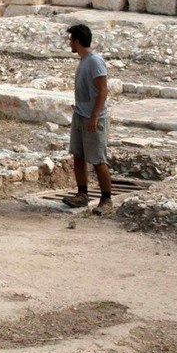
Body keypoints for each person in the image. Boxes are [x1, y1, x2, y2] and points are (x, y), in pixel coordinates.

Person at [62, 24, 113, 214]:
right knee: (78, 155)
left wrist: (94, 116)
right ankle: (82, 194)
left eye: (70, 40)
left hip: (93, 118)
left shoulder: (94, 61)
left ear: (76, 41)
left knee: (98, 160)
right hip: (81, 115)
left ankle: (106, 199)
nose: (69, 43)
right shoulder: (84, 60)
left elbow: (103, 89)